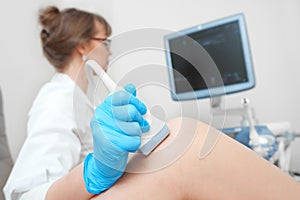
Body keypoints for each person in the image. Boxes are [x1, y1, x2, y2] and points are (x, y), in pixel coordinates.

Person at [3, 6, 300, 200]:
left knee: (179, 145)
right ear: (83, 46)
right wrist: (91, 173)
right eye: (106, 42)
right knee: (189, 150)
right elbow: (22, 194)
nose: (109, 51)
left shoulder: (82, 100)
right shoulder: (55, 99)